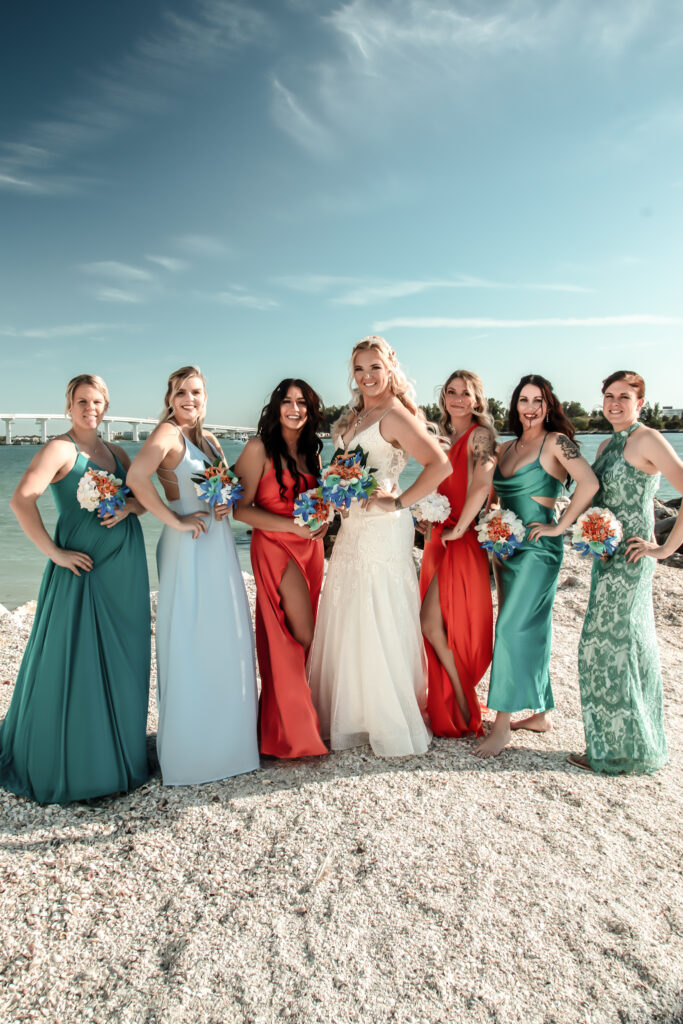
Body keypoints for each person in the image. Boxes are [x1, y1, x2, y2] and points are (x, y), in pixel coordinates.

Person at [0, 375, 150, 802]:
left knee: (125, 658)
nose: (90, 408)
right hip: (81, 571)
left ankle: (122, 754)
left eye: (97, 401)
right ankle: (81, 763)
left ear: (106, 406)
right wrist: (53, 552)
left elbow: (143, 499)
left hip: (124, 570)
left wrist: (127, 508)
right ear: (68, 405)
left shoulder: (117, 451)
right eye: (82, 401)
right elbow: (20, 499)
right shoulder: (59, 449)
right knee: (78, 661)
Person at [307, 336, 450, 757]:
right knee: (350, 607)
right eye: (359, 369)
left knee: (378, 608)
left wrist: (399, 500)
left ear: (390, 368)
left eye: (374, 367)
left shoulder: (395, 414)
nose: (367, 376)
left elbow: (439, 465)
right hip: (352, 528)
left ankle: (386, 715)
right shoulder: (359, 414)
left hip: (383, 526)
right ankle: (352, 714)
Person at [127, 366, 259, 785]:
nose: (190, 399)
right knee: (190, 636)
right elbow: (136, 478)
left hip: (218, 544)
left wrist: (222, 506)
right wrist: (176, 520)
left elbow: (221, 488)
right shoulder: (167, 434)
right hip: (189, 546)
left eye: (197, 392)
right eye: (182, 392)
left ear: (206, 397)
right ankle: (192, 754)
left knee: (223, 636)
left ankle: (230, 744)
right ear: (170, 397)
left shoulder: (211, 439)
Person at [475, 374, 599, 758]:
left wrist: (560, 526)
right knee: (529, 627)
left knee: (510, 626)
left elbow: (589, 483)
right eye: (523, 400)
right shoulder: (509, 447)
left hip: (539, 549)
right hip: (507, 549)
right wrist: (491, 526)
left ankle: (501, 726)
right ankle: (543, 713)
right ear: (515, 406)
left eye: (537, 400)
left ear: (548, 405)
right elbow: (495, 496)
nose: (529, 407)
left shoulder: (556, 442)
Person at [572, 370, 682, 774]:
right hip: (606, 558)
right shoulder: (605, 444)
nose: (614, 403)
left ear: (640, 402)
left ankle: (630, 749)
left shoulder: (648, 438)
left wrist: (665, 547)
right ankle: (605, 743)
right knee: (596, 646)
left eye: (624, 396)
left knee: (623, 646)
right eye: (608, 396)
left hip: (635, 561)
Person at [233, 379, 328, 758]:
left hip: (311, 548)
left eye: (302, 402)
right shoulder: (258, 449)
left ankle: (289, 721)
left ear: (311, 408)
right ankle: (291, 725)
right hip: (276, 547)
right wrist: (290, 525)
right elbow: (240, 508)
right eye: (287, 402)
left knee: (308, 635)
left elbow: (318, 503)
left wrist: (324, 522)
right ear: (275, 407)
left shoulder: (312, 452)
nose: (295, 408)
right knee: (299, 634)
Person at [419, 370, 496, 738]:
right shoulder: (438, 437)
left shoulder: (480, 436)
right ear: (443, 397)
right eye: (452, 392)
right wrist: (425, 515)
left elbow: (482, 485)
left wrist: (461, 528)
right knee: (437, 626)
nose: (458, 399)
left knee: (432, 623)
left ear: (477, 399)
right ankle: (455, 701)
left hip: (459, 541)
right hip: (437, 536)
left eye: (466, 394)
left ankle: (465, 703)